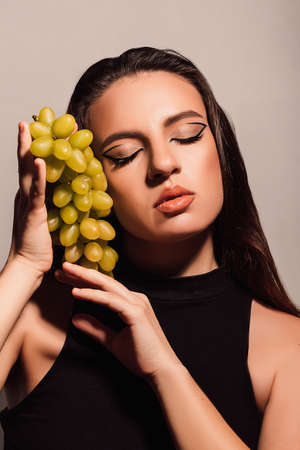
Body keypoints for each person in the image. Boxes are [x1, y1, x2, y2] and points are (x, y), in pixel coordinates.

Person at [0, 46, 299, 450]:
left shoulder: (288, 345)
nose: (162, 163)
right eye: (125, 155)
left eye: (187, 135)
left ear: (220, 146)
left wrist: (165, 371)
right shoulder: (37, 318)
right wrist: (24, 264)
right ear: (91, 178)